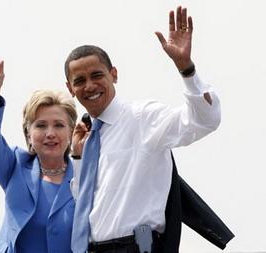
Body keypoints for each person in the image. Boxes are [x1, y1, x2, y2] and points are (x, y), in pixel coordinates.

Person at [66, 6, 222, 253]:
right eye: (80, 81)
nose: (90, 86)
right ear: (70, 88)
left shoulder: (142, 118)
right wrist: (77, 158)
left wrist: (187, 69)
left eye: (97, 75)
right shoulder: (89, 139)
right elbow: (89, 205)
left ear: (114, 74)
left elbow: (204, 121)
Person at [0, 50, 77, 253]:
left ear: (71, 131)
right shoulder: (14, 166)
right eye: (41, 125)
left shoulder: (85, 177)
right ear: (28, 133)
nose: (50, 133)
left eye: (59, 125)